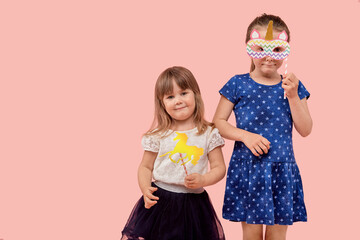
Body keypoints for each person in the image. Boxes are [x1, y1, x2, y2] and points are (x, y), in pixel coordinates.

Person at [213, 14, 312, 240]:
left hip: (281, 171)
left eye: (277, 50)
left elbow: (306, 129)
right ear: (249, 47)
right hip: (250, 170)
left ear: (287, 50)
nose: (269, 57)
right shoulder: (237, 83)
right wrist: (245, 136)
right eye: (261, 48)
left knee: (277, 237)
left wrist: (294, 96)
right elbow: (218, 123)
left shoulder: (293, 86)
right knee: (251, 236)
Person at [121, 66, 226, 240]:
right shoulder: (158, 135)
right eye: (170, 96)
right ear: (162, 103)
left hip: (195, 206)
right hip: (161, 202)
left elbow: (219, 167)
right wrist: (145, 188)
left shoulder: (208, 133)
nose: (178, 100)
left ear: (196, 95)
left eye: (184, 93)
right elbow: (145, 167)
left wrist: (204, 179)